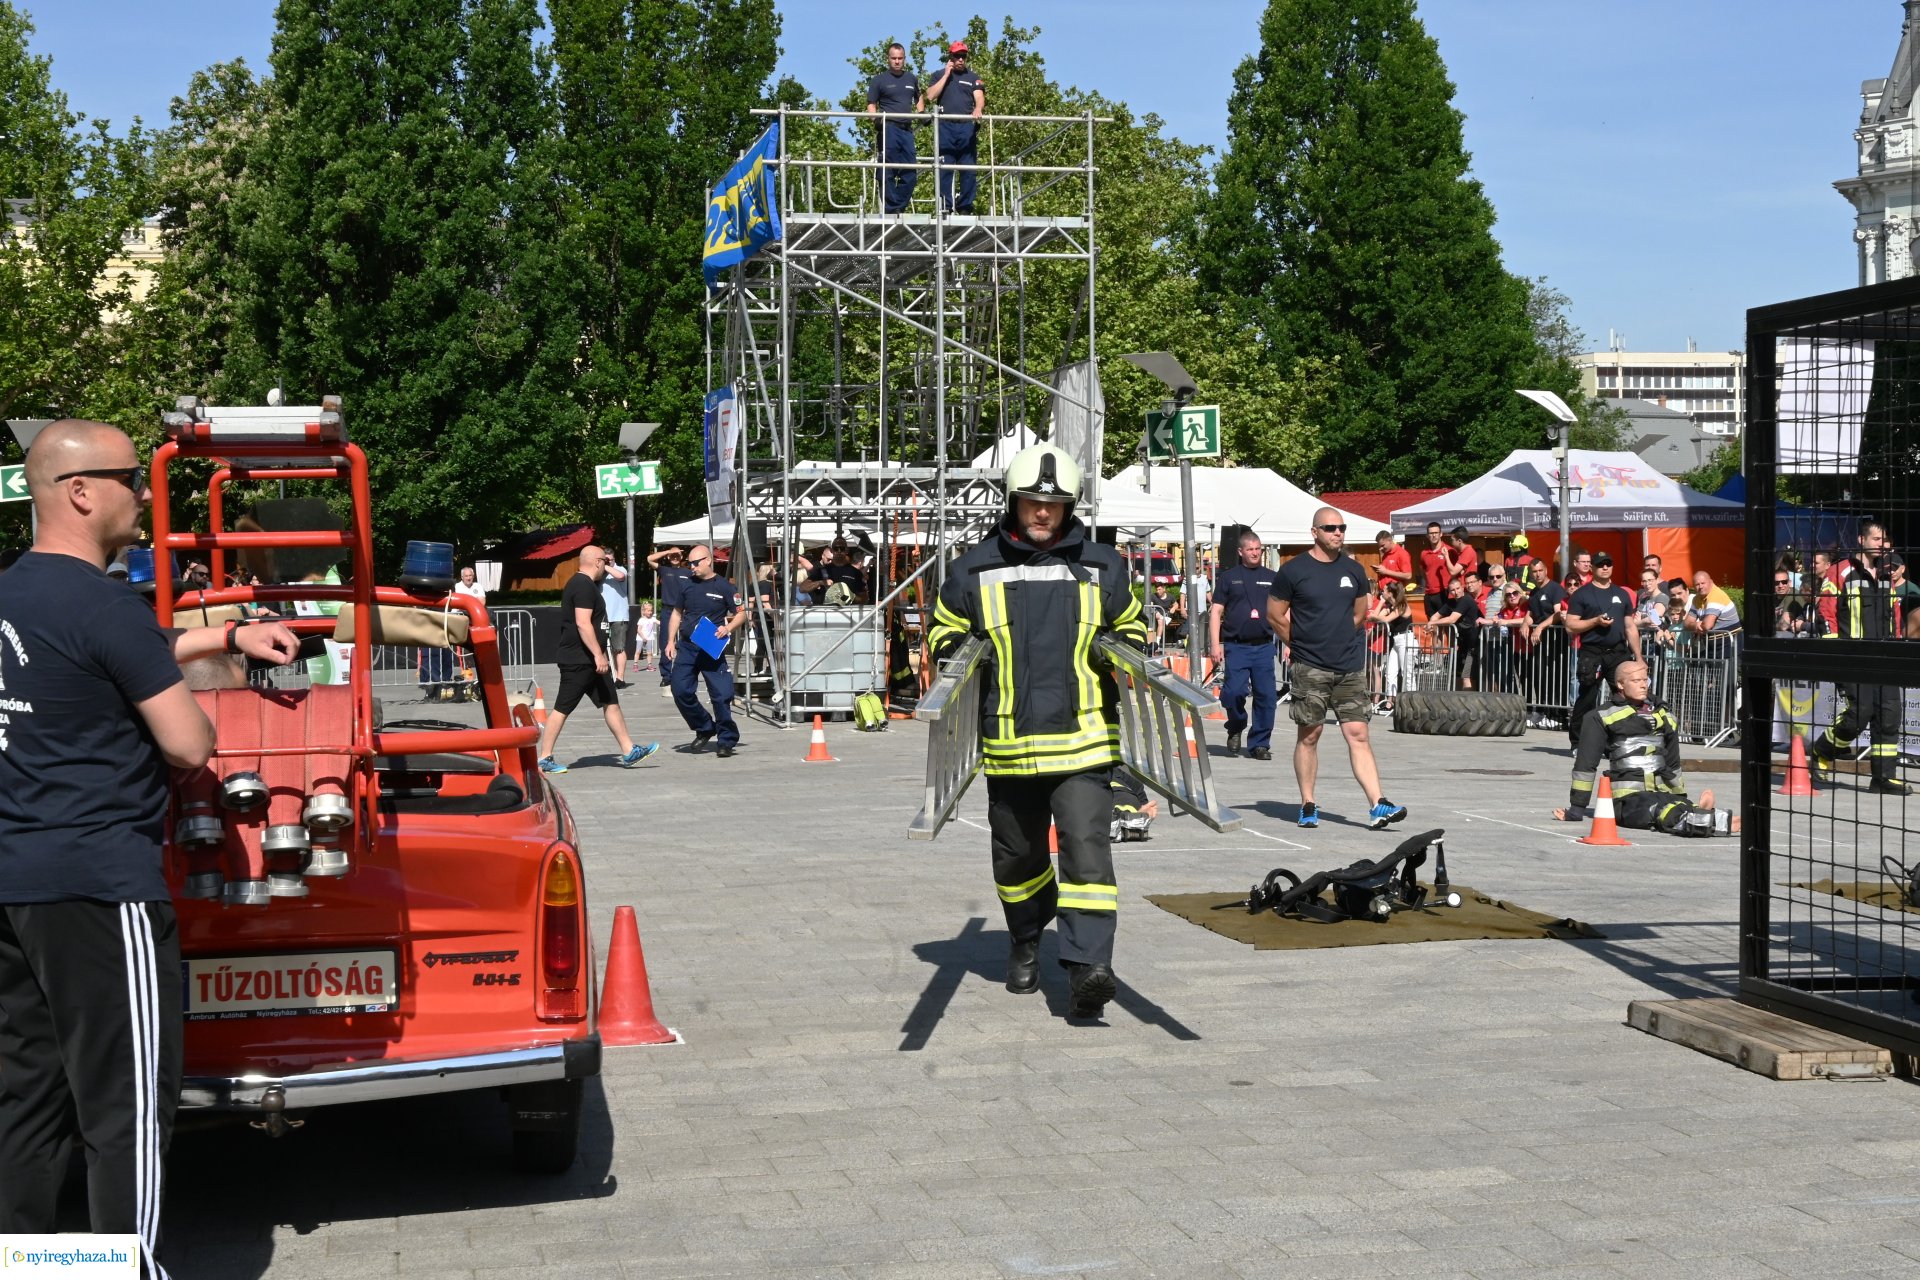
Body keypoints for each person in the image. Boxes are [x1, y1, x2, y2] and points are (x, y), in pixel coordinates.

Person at [0, 418, 300, 1276]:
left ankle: (27, 1265)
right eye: (131, 476)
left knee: (27, 1098)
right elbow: (189, 744)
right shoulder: (99, 602)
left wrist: (229, 635)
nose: (143, 491)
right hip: (100, 883)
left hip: (14, 882)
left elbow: (93, 658)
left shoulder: (14, 594)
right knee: (125, 1106)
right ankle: (123, 1270)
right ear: (81, 492)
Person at [925, 442, 1146, 1018]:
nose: (1042, 513)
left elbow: (1134, 626)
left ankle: (1089, 966)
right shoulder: (974, 567)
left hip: (1083, 741)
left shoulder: (1103, 565)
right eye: (1031, 503)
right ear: (1013, 502)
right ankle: (1026, 935)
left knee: (1088, 854)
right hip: (1009, 745)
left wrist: (1126, 656)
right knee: (1018, 859)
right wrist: (962, 659)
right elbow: (943, 632)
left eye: (1053, 504)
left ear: (1070, 506)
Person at [1267, 507, 1408, 831]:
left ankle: (1378, 804)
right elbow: (1275, 615)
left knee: (1358, 733)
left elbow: (1361, 613)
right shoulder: (1294, 570)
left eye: (1341, 527)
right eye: (1330, 528)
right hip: (1310, 667)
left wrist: (1340, 638)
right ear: (1314, 532)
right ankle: (1308, 803)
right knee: (1310, 735)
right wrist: (1300, 643)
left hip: (1348, 667)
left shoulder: (1353, 570)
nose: (1337, 533)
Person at [1554, 661, 1738, 837]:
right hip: (1627, 798)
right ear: (1620, 684)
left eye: (1645, 680)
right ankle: (1718, 821)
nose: (1643, 686)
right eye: (1636, 681)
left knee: (1674, 804)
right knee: (1657, 810)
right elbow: (1586, 764)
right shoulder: (1600, 716)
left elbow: (1673, 762)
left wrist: (1679, 795)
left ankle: (1700, 813)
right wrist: (1577, 809)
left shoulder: (1664, 715)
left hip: (1662, 790)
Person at [536, 545, 660, 774]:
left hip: (592, 661)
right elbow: (583, 624)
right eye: (605, 561)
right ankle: (544, 758)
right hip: (580, 660)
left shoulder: (587, 585)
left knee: (610, 703)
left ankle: (628, 750)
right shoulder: (582, 586)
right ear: (597, 562)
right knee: (562, 708)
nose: (607, 565)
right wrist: (597, 655)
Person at [1810, 521, 1908, 794]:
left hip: (1885, 657)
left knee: (1889, 716)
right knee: (1859, 713)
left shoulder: (1887, 574)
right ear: (1861, 539)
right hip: (1852, 656)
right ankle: (1822, 751)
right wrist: (1833, 652)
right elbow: (1826, 612)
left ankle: (1883, 778)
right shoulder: (1840, 571)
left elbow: (1896, 616)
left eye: (1885, 539)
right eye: (1876, 538)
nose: (1881, 543)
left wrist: (1898, 649)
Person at [666, 543, 745, 758]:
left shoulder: (725, 587)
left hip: (712, 649)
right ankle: (704, 727)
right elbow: (676, 613)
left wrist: (727, 627)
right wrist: (670, 641)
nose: (692, 567)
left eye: (695, 563)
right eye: (689, 563)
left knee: (722, 696)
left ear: (708, 561)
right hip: (688, 648)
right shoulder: (687, 585)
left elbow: (741, 614)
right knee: (680, 690)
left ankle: (726, 740)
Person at [1208, 529, 1278, 759]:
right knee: (1234, 693)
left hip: (1264, 646)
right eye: (1250, 549)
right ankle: (1236, 725)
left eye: (1258, 549)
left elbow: (1284, 611)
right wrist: (1215, 644)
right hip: (1236, 646)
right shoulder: (1229, 577)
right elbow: (1216, 611)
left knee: (1266, 696)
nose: (1255, 553)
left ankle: (1260, 744)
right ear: (1241, 552)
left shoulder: (1272, 577)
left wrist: (1289, 642)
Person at [1564, 551, 1641, 747]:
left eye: (1608, 563)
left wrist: (1639, 658)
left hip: (1617, 652)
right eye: (1600, 564)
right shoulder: (1582, 593)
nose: (1605, 567)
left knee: (1626, 695)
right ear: (1592, 568)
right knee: (1588, 697)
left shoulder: (1622, 593)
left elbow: (1630, 626)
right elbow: (1571, 625)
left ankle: (1622, 739)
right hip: (1592, 651)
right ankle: (1578, 741)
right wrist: (1595, 621)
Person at [925, 40, 984, 215]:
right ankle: (945, 206)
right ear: (950, 57)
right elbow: (930, 96)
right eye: (957, 56)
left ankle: (965, 206)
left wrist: (978, 108)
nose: (960, 60)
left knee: (968, 169)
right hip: (945, 127)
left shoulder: (973, 77)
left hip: (966, 126)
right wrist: (946, 75)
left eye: (963, 56)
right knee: (944, 168)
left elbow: (979, 97)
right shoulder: (938, 75)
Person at [866, 43, 920, 214]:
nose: (897, 61)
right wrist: (875, 119)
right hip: (888, 128)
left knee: (910, 170)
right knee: (887, 170)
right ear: (888, 59)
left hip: (907, 129)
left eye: (900, 58)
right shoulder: (879, 80)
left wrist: (922, 113)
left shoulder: (911, 78)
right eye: (894, 58)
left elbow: (919, 98)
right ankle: (891, 208)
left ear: (905, 58)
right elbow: (871, 104)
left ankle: (898, 207)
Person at [1425, 574, 1482, 689]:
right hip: (1462, 646)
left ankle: (1470, 705)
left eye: (1457, 588)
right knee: (1458, 676)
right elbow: (1435, 616)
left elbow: (1452, 619)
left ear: (1462, 587)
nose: (1456, 592)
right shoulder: (1450, 603)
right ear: (1449, 591)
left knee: (1467, 677)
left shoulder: (1466, 599)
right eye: (1452, 590)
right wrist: (1432, 623)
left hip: (1474, 645)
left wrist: (1433, 623)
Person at [649, 545, 690, 696]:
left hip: (685, 610)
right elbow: (649, 559)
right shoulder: (664, 570)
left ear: (681, 557)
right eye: (672, 556)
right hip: (668, 609)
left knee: (687, 641)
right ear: (668, 557)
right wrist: (668, 551)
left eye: (677, 555)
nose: (675, 557)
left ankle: (686, 672)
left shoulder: (688, 572)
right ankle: (666, 676)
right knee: (666, 642)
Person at [1367, 579, 1412, 712]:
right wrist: (1381, 602)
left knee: (1406, 672)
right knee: (1390, 672)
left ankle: (1411, 701)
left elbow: (1384, 619)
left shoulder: (1401, 605)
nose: (1382, 591)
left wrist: (1376, 617)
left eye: (1385, 590)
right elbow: (1375, 616)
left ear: (1391, 592)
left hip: (1405, 639)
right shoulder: (1389, 606)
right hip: (1395, 641)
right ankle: (1389, 703)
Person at [600, 548, 633, 686]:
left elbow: (620, 576)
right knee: (601, 647)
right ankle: (606, 675)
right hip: (602, 615)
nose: (608, 562)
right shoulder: (599, 573)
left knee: (618, 648)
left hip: (618, 615)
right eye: (605, 559)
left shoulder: (620, 569)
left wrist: (606, 565)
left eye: (610, 559)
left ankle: (620, 678)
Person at [1684, 569, 1740, 635]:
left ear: (1711, 582)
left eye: (1703, 583)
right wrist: (1695, 625)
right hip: (1712, 641)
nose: (1700, 587)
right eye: (1697, 584)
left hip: (1729, 641)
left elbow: (1707, 625)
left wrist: (1695, 625)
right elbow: (1686, 623)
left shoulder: (1716, 595)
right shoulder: (1696, 598)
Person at [1417, 521, 1450, 621]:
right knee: (1433, 627)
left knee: (1447, 627)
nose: (1434, 535)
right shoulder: (1424, 553)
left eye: (1436, 533)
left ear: (1441, 534)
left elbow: (1456, 571)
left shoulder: (1449, 550)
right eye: (1431, 533)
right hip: (1429, 593)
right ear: (1427, 535)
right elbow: (1422, 570)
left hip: (1444, 593)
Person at [635, 599, 660, 670]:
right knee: (638, 651)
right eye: (648, 611)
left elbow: (659, 622)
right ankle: (635, 664)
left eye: (651, 610)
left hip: (649, 638)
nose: (650, 612)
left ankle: (649, 665)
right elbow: (638, 630)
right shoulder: (641, 620)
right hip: (641, 638)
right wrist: (643, 638)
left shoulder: (652, 619)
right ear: (644, 611)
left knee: (649, 653)